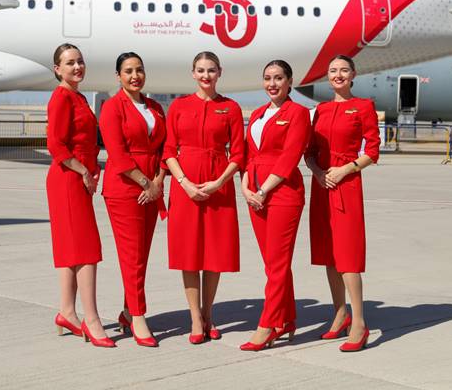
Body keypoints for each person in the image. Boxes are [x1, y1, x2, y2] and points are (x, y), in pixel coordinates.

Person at [163, 51, 245, 344]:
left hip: (218, 184)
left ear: (219, 72)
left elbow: (238, 153)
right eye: (200, 70)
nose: (206, 75)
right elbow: (169, 150)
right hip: (185, 184)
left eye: (211, 70)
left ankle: (208, 313)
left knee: (214, 252)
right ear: (193, 73)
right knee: (189, 252)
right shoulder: (179, 106)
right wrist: (184, 183)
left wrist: (219, 182)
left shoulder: (231, 108)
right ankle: (195, 318)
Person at [305, 55, 380, 352]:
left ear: (353, 75)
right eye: (333, 71)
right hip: (321, 183)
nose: (338, 75)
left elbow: (372, 150)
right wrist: (319, 172)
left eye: (343, 70)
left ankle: (359, 322)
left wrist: (346, 169)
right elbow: (309, 152)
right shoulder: (320, 111)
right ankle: (339, 314)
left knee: (348, 255)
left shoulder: (363, 107)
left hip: (347, 184)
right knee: (329, 254)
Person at [45, 43, 114, 348]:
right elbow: (56, 145)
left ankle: (68, 312)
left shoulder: (79, 96)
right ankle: (92, 318)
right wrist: (83, 170)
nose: (77, 67)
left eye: (80, 61)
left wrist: (92, 168)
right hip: (67, 178)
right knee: (86, 249)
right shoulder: (61, 97)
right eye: (70, 63)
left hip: (78, 176)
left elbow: (86, 141)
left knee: (72, 247)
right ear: (57, 69)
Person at [240, 59, 311, 351]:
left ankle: (267, 325)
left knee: (279, 264)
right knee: (273, 264)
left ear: (289, 81)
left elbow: (290, 156)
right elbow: (247, 155)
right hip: (255, 193)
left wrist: (264, 189)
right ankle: (286, 319)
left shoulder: (299, 113)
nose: (272, 83)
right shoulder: (257, 114)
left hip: (282, 194)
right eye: (268, 78)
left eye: (278, 78)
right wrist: (245, 188)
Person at [98, 52, 167, 348]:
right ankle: (138, 315)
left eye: (139, 70)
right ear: (118, 76)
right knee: (132, 256)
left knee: (141, 255)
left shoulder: (155, 107)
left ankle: (128, 311)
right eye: (128, 71)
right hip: (126, 189)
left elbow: (166, 147)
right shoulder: (113, 108)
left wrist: (159, 182)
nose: (135, 75)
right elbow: (118, 153)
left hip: (151, 187)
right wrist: (146, 182)